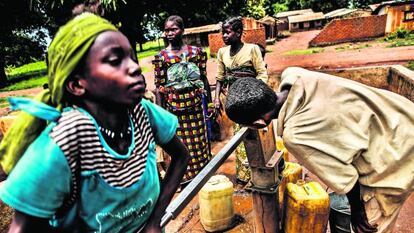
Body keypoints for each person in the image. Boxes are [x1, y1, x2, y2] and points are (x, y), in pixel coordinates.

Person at [0, 13, 190, 233]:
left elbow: (181, 155)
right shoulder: (65, 140)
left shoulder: (142, 113)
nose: (135, 67)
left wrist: (155, 221)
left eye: (131, 56)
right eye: (114, 60)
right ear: (77, 84)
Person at [224, 67, 414, 233]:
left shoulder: (296, 135)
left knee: (371, 225)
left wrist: (358, 214)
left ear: (258, 124)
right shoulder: (295, 75)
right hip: (402, 116)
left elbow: (346, 179)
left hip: (398, 154)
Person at [152, 15, 213, 186]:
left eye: (173, 29)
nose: (169, 33)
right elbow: (159, 88)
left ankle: (202, 177)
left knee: (199, 143)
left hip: (195, 108)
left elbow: (204, 79)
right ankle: (184, 180)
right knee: (180, 147)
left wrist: (208, 103)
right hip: (174, 110)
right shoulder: (161, 57)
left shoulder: (196, 53)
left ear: (182, 30)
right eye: (167, 30)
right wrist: (161, 114)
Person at [213, 16, 268, 184]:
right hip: (234, 102)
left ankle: (259, 174)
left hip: (252, 101)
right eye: (223, 32)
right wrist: (216, 99)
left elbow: (262, 73)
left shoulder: (252, 49)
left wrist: (254, 95)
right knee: (240, 136)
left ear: (238, 32)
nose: (224, 36)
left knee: (255, 135)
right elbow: (219, 78)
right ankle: (245, 176)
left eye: (227, 32)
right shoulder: (222, 53)